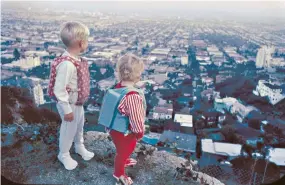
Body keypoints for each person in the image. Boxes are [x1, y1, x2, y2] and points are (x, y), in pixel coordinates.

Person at [48, 21, 94, 171]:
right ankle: (64, 154)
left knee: (79, 125)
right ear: (81, 43)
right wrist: (66, 109)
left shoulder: (75, 60)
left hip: (78, 103)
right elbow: (59, 89)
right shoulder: (67, 64)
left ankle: (79, 146)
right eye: (86, 40)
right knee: (69, 129)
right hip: (69, 104)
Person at [98, 54, 146, 185]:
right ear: (138, 75)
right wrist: (139, 131)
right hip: (125, 131)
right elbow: (135, 118)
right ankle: (119, 174)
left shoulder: (118, 87)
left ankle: (123, 160)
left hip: (115, 128)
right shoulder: (132, 96)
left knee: (121, 149)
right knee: (124, 151)